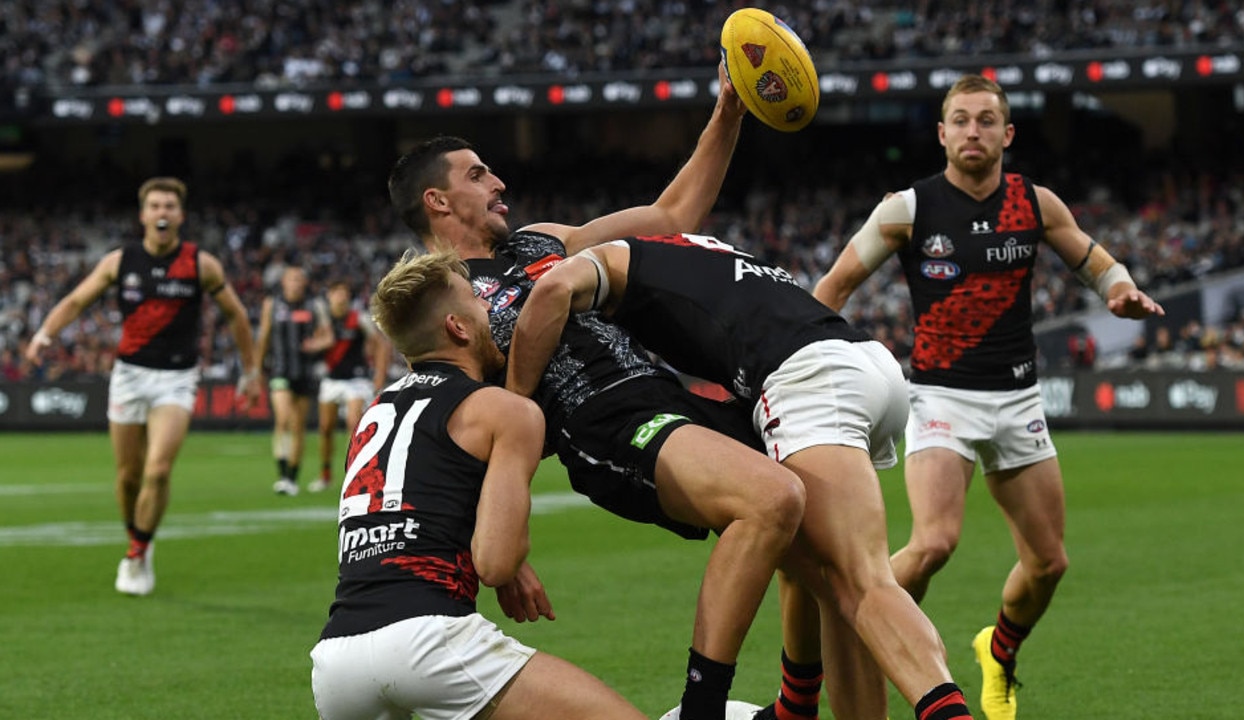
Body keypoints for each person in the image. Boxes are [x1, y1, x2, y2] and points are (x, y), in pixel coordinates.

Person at [385, 63, 808, 720]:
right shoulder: (440, 299)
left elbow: (673, 215)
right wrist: (501, 547)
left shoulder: (543, 241)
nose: (500, 183)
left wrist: (729, 109)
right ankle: (707, 710)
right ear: (437, 202)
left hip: (669, 396)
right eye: (476, 175)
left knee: (818, 532)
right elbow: (462, 428)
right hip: (601, 422)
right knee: (773, 500)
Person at [504, 232, 977, 720]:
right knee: (822, 574)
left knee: (861, 582)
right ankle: (799, 705)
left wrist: (515, 408)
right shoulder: (702, 248)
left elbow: (555, 289)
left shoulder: (610, 259)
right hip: (866, 363)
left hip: (806, 379)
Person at [810, 74, 1165, 720]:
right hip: (941, 397)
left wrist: (1120, 289)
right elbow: (832, 288)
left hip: (1018, 401)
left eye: (985, 120)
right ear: (942, 133)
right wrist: (798, 362)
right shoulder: (907, 209)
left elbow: (1095, 262)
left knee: (1049, 562)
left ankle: (997, 652)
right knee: (935, 541)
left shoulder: (1034, 203)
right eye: (961, 120)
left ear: (1007, 132)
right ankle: (858, 625)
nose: (973, 131)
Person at [310, 248, 650, 720]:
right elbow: (495, 561)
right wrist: (512, 561)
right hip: (429, 641)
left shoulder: (373, 411)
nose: (492, 308)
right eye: (477, 300)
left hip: (336, 660)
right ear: (459, 328)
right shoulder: (504, 411)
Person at [24, 176, 260, 596]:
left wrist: (250, 371)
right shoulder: (120, 261)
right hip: (129, 375)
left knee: (158, 470)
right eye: (155, 206)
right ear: (143, 215)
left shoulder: (201, 264)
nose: (162, 213)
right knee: (128, 477)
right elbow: (78, 300)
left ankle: (137, 552)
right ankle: (138, 536)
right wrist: (45, 333)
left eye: (169, 206)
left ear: (180, 215)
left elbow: (237, 317)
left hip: (176, 378)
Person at [253, 264, 333, 496]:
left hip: (305, 373)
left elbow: (328, 336)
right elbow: (264, 337)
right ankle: (282, 473)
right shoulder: (272, 304)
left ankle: (291, 478)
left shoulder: (314, 305)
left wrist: (316, 344)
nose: (296, 283)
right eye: (292, 279)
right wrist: (256, 370)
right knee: (284, 419)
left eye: (300, 279)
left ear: (305, 283)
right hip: (280, 371)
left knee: (298, 427)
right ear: (284, 282)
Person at [309, 279, 389, 493]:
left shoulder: (358, 318)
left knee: (354, 424)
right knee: (325, 428)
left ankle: (354, 474)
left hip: (356, 380)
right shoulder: (324, 322)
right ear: (330, 296)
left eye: (344, 292)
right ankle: (325, 475)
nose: (340, 297)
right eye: (336, 292)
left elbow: (381, 345)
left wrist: (379, 376)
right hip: (331, 379)